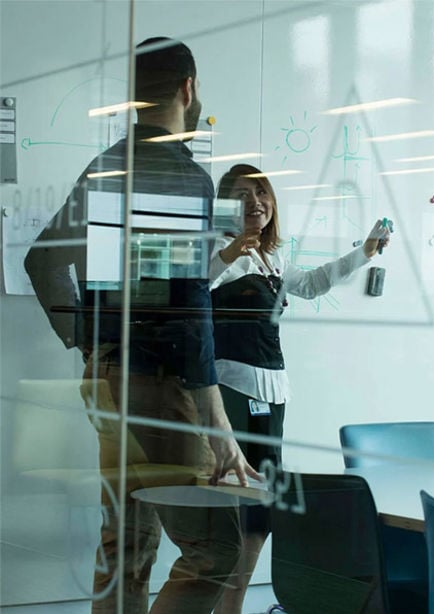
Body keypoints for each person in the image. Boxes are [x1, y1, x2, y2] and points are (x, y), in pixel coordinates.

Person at [25, 37, 260, 613]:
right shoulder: (183, 175)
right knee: (215, 550)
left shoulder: (108, 165)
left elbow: (44, 260)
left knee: (126, 542)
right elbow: (187, 303)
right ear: (188, 88)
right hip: (158, 384)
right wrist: (216, 421)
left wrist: (92, 343)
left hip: (109, 379)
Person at [209, 163, 391, 613]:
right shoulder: (216, 251)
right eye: (242, 195)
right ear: (223, 206)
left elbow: (310, 284)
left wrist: (364, 251)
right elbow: (193, 285)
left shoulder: (271, 258)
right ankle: (222, 604)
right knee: (237, 503)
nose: (255, 203)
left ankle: (229, 606)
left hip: (272, 389)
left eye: (261, 193)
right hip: (232, 386)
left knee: (261, 506)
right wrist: (231, 250)